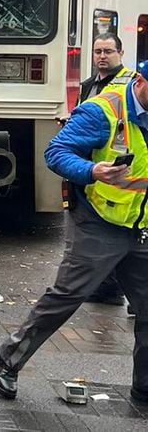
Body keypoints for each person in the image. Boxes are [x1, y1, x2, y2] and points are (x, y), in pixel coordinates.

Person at [0, 61, 148, 402]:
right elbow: (56, 152)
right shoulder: (102, 111)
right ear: (141, 81)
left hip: (141, 225)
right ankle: (8, 359)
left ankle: (145, 387)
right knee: (67, 296)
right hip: (98, 220)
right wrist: (93, 170)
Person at [77, 33, 134, 308]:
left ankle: (118, 291)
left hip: (122, 166)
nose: (102, 56)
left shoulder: (131, 84)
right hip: (94, 164)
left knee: (120, 229)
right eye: (98, 51)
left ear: (120, 54)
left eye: (108, 51)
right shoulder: (89, 84)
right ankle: (106, 286)